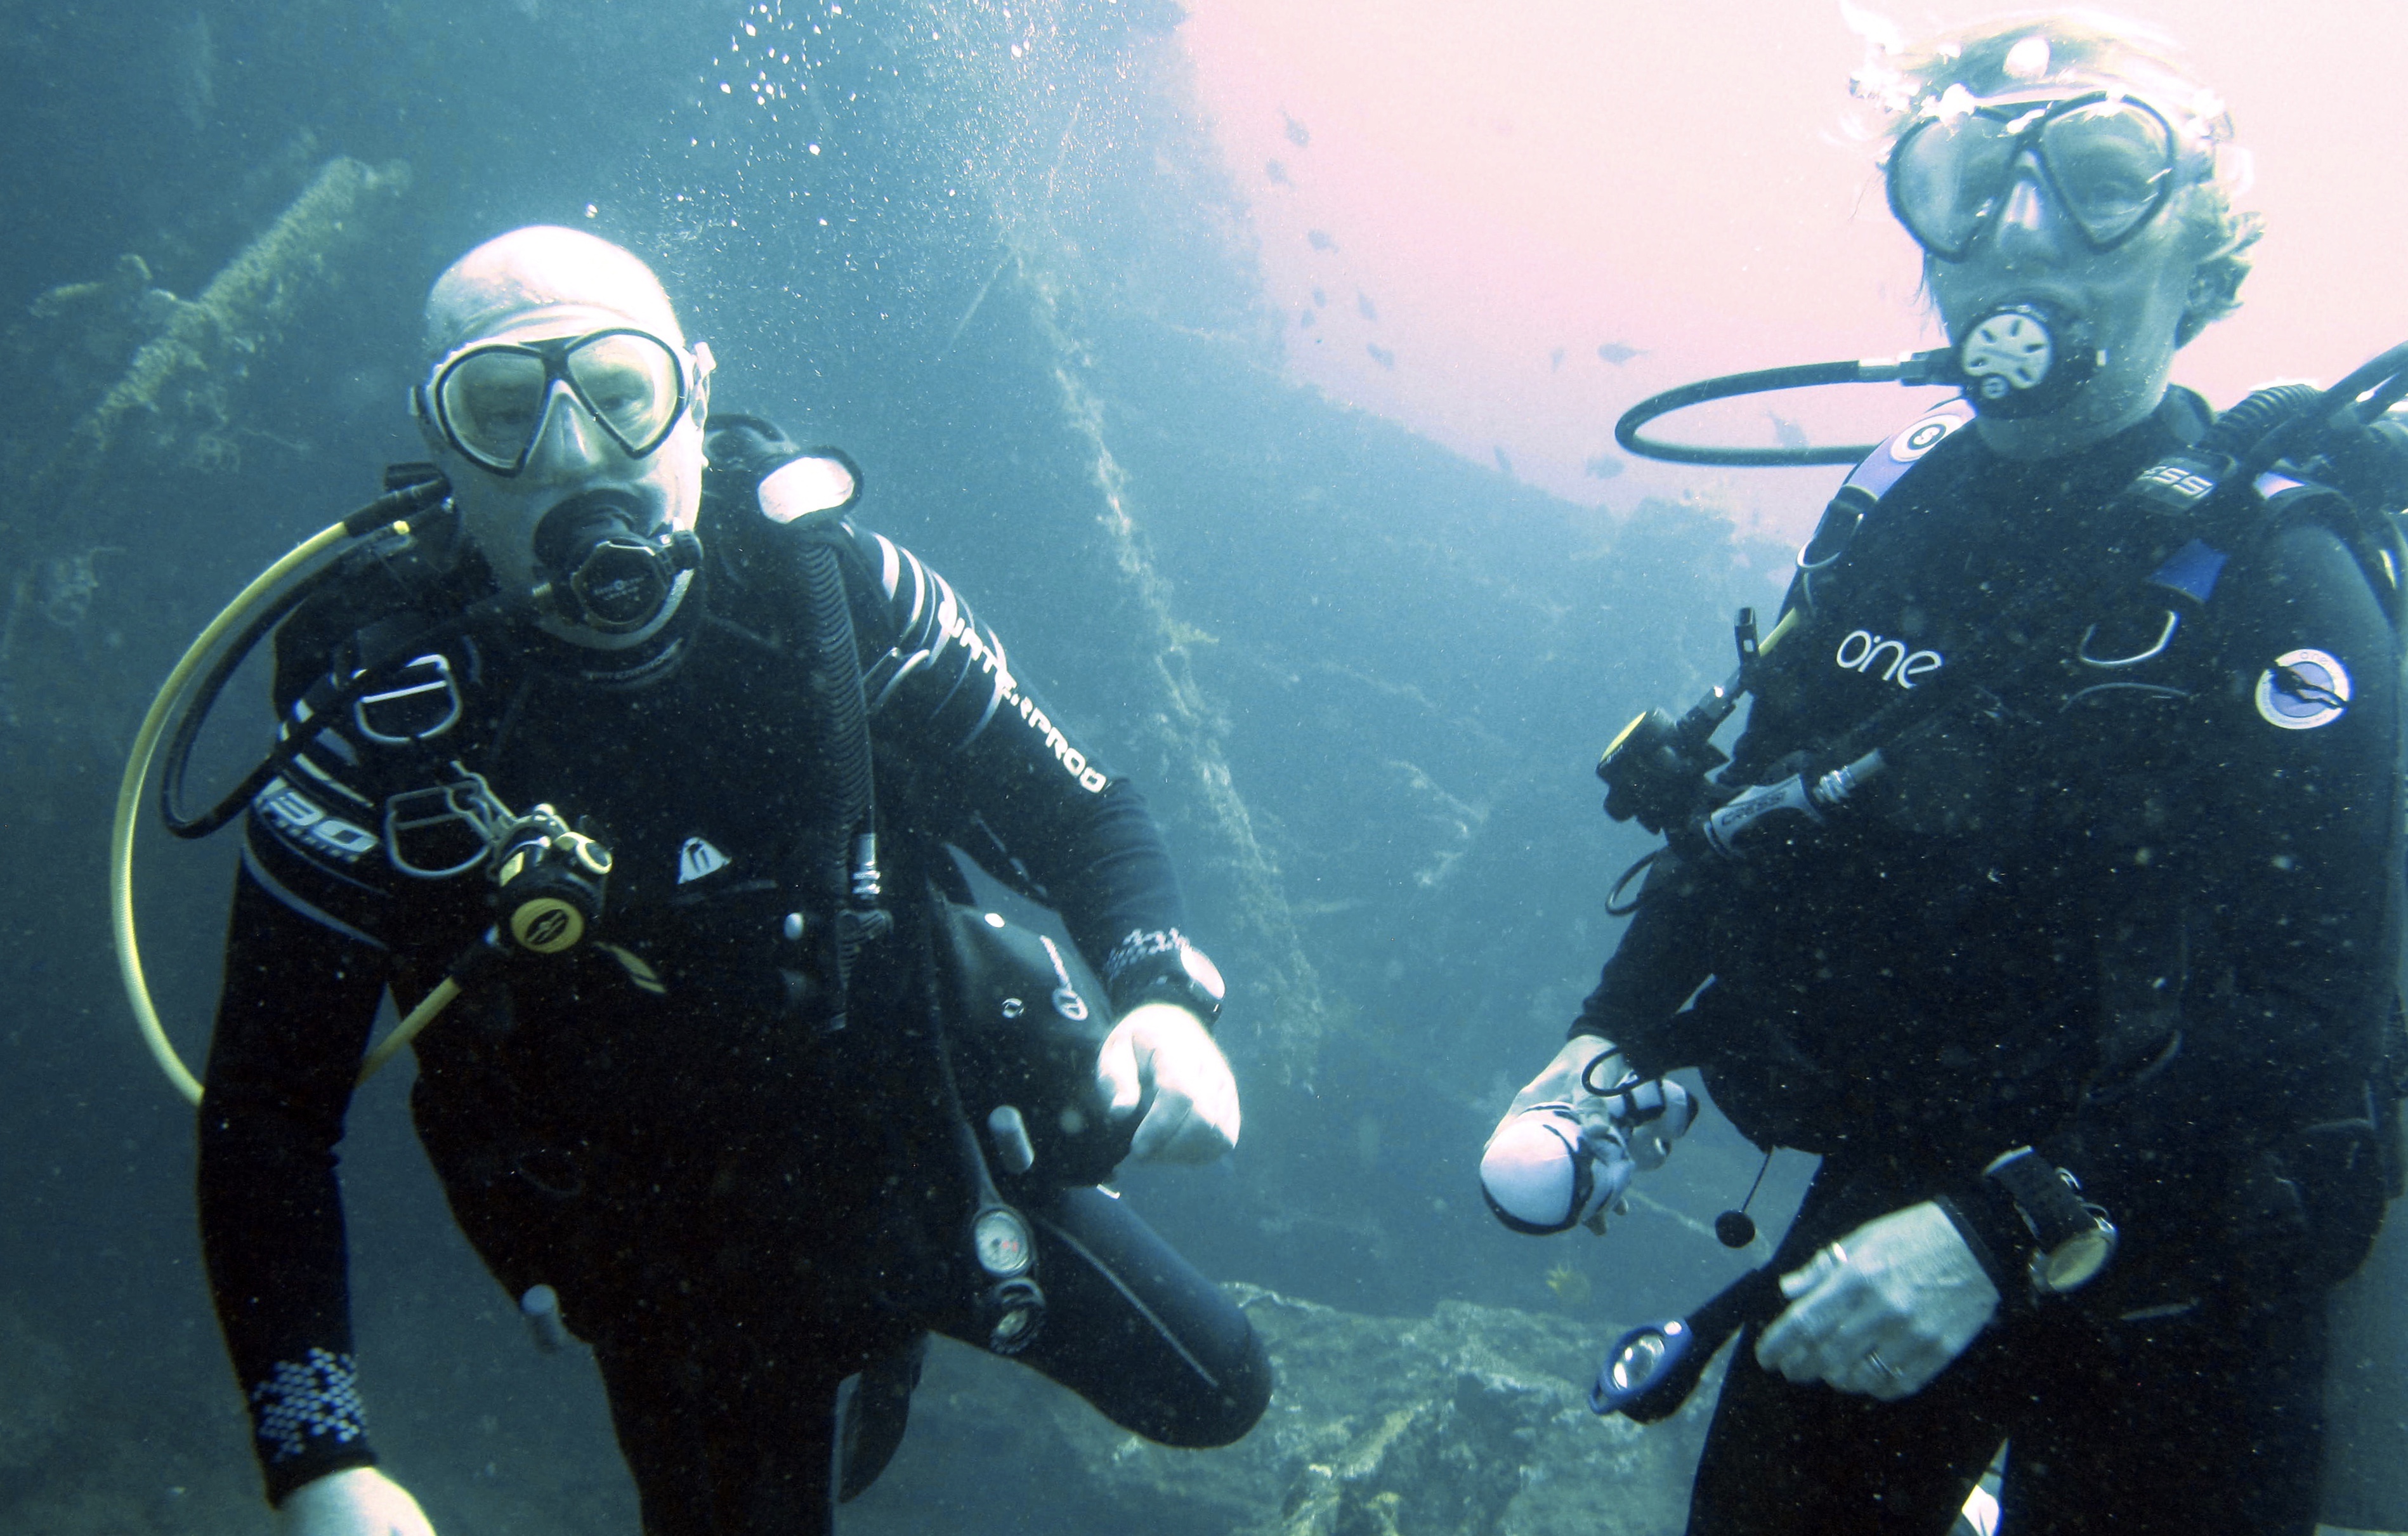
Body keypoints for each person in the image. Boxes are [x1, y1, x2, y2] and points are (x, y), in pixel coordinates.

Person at [198, 225, 1269, 1536]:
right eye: (500, 408)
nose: (575, 452)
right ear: (437, 439)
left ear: (694, 395)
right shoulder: (380, 712)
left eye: (621, 390)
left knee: (1220, 1386)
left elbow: (1081, 810)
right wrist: (320, 1457)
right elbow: (265, 1109)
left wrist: (1160, 994)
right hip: (674, 1263)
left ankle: (886, 1338)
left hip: (921, 1146)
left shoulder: (837, 594)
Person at [1481, 18, 2403, 1535]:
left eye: (2102, 177)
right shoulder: (1892, 500)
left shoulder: (2280, 574)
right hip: (1896, 1195)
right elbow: (1756, 804)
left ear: (2204, 251)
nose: (2018, 235)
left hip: (2178, 1271)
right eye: (1963, 181)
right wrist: (1611, 1035)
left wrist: (1997, 1229)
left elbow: (2306, 1025)